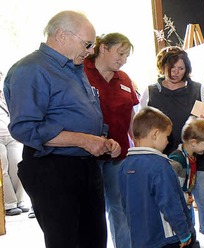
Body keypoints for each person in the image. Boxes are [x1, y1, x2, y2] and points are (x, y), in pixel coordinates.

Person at [3, 10, 120, 248]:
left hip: (86, 167)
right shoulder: (31, 69)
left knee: (95, 239)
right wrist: (83, 140)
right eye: (87, 44)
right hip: (54, 169)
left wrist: (101, 139)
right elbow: (26, 128)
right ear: (62, 35)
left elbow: (81, 114)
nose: (90, 51)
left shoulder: (74, 69)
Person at [140, 46, 204, 235]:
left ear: (187, 69)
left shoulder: (196, 89)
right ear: (163, 66)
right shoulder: (151, 92)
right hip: (169, 160)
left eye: (181, 69)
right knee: (179, 205)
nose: (176, 73)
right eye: (172, 68)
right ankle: (187, 239)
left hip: (201, 157)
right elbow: (140, 124)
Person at [84, 32, 138, 248]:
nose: (123, 59)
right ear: (104, 48)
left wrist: (138, 144)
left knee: (120, 207)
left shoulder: (124, 79)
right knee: (93, 208)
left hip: (118, 156)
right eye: (120, 53)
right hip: (88, 155)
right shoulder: (80, 72)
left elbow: (131, 115)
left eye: (126, 56)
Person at [119, 106, 196, 248]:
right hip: (165, 239)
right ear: (155, 134)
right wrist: (183, 232)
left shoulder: (124, 165)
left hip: (139, 238)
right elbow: (170, 203)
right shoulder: (160, 165)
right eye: (167, 136)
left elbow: (125, 204)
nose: (168, 141)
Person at [168, 117, 204, 227]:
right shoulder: (177, 161)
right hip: (178, 206)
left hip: (186, 203)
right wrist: (183, 197)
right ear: (193, 142)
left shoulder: (191, 157)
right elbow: (170, 188)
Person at [0, 72, 30, 217]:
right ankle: (9, 203)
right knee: (3, 169)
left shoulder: (4, 93)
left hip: (10, 135)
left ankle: (20, 200)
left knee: (17, 165)